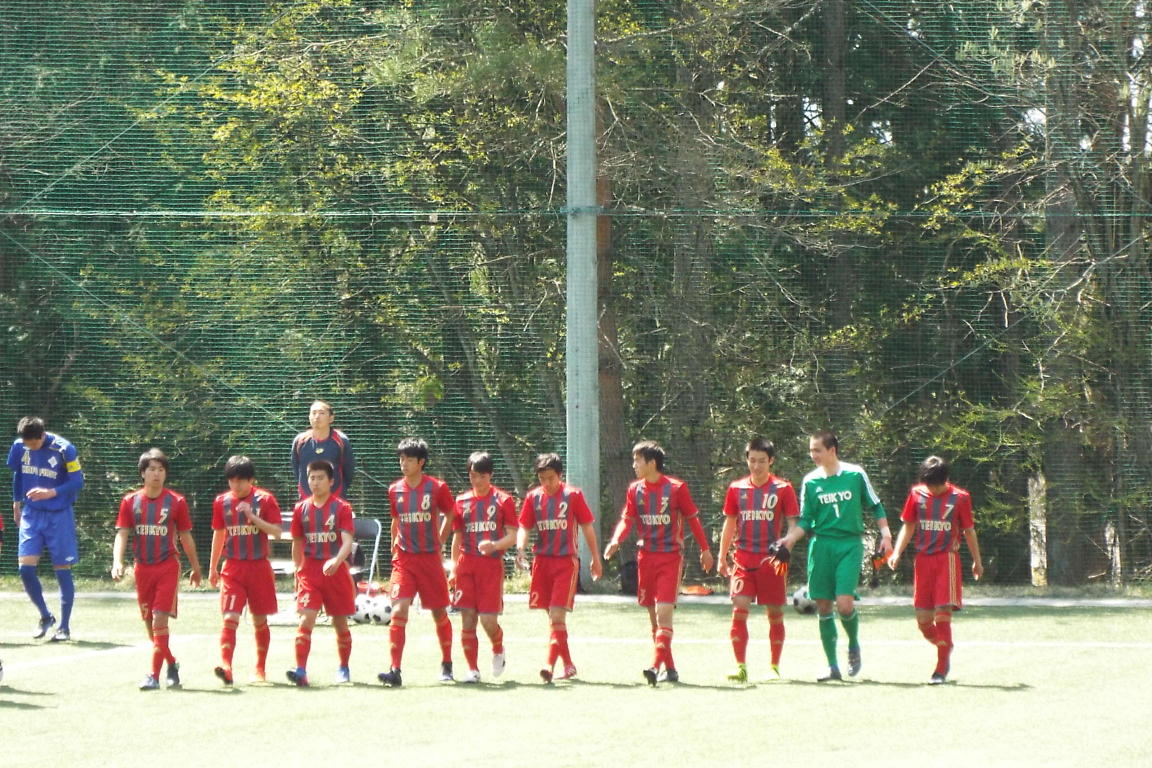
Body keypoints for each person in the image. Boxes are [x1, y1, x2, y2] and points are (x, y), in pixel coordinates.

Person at [777, 430, 892, 681]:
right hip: (821, 547)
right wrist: (790, 539)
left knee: (844, 604)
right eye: (811, 450)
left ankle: (853, 644)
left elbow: (875, 505)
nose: (813, 455)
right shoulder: (811, 481)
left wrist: (886, 535)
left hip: (849, 545)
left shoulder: (855, 474)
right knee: (824, 605)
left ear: (832, 450)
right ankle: (832, 666)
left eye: (817, 450)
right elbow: (806, 520)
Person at [603, 440, 713, 685]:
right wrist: (616, 540)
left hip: (670, 558)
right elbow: (627, 519)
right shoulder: (635, 490)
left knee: (664, 615)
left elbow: (693, 520)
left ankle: (654, 667)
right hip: (646, 558)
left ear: (652, 463)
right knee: (655, 620)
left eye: (637, 460)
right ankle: (670, 669)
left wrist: (705, 549)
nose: (634, 465)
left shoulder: (676, 488)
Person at [111, 448, 203, 690]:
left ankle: (153, 675)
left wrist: (196, 568)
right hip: (142, 569)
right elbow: (122, 533)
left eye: (161, 469)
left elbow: (185, 537)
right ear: (143, 473)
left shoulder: (176, 502)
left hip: (167, 567)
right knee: (151, 626)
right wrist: (117, 562)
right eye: (151, 469)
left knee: (159, 618)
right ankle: (172, 663)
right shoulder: (130, 502)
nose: (156, 474)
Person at [888, 455, 984, 684]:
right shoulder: (916, 494)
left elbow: (969, 531)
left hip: (946, 560)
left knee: (942, 613)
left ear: (945, 480)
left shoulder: (960, 498)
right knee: (923, 620)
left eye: (936, 485)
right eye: (929, 484)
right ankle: (945, 645)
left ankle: (940, 670)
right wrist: (897, 552)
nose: (932, 489)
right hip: (923, 562)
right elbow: (908, 525)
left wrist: (977, 561)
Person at [716, 437, 799, 683]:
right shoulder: (736, 488)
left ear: (771, 461)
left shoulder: (783, 489)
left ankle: (774, 667)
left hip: (771, 563)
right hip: (742, 560)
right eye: (752, 460)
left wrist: (786, 545)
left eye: (762, 461)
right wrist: (722, 557)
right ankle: (741, 667)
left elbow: (794, 525)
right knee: (739, 609)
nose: (756, 466)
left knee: (774, 613)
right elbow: (729, 524)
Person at [516, 452, 603, 683]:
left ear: (560, 475)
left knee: (556, 615)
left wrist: (595, 558)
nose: (547, 483)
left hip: (565, 563)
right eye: (542, 478)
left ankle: (549, 665)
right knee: (554, 619)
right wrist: (520, 549)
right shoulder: (533, 497)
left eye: (551, 478)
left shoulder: (573, 495)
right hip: (542, 563)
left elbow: (587, 527)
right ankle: (569, 665)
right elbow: (524, 526)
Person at [378, 438, 457, 687]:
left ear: (421, 462)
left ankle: (447, 662)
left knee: (439, 613)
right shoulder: (395, 490)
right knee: (399, 609)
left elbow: (450, 513)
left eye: (409, 459)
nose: (403, 463)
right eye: (401, 459)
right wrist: (393, 544)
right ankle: (395, 669)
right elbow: (395, 520)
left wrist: (441, 540)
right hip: (404, 560)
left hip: (430, 560)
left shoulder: (437, 488)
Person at [7, 416, 85, 642]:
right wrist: (16, 502)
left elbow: (78, 481)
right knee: (25, 569)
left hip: (59, 515)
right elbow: (18, 473)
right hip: (31, 514)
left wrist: (51, 492)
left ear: (42, 435)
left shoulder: (64, 449)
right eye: (27, 443)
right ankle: (45, 616)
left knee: (62, 569)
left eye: (34, 443)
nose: (30, 447)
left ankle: (64, 627)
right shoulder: (19, 446)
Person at [208, 455, 283, 685]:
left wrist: (252, 516)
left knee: (259, 620)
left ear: (251, 480)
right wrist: (212, 568)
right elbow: (219, 534)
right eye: (232, 480)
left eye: (240, 480)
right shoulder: (222, 502)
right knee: (230, 618)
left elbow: (276, 532)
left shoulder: (265, 500)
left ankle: (260, 669)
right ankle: (226, 666)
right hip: (233, 568)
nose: (236, 485)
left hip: (259, 568)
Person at [450, 451, 518, 684]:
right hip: (466, 565)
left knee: (488, 621)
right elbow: (457, 537)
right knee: (468, 618)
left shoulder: (503, 501)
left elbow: (512, 536)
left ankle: (498, 648)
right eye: (472, 476)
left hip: (490, 567)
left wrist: (494, 546)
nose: (477, 481)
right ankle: (472, 669)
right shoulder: (461, 501)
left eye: (481, 476)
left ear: (490, 475)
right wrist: (454, 568)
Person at [287, 459, 356, 687]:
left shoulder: (342, 508)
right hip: (310, 573)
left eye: (320, 478)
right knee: (306, 618)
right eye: (312, 478)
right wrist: (297, 569)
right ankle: (300, 670)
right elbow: (297, 543)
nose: (315, 482)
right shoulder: (301, 509)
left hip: (336, 573)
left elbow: (347, 541)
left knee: (340, 623)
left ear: (331, 481)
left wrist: (337, 560)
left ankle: (344, 667)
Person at [291, 400, 355, 500]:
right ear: (309, 417)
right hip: (307, 500)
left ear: (331, 418)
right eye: (313, 413)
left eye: (321, 413)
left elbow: (348, 471)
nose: (317, 416)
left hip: (336, 500)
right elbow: (297, 469)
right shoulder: (300, 441)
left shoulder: (341, 441)